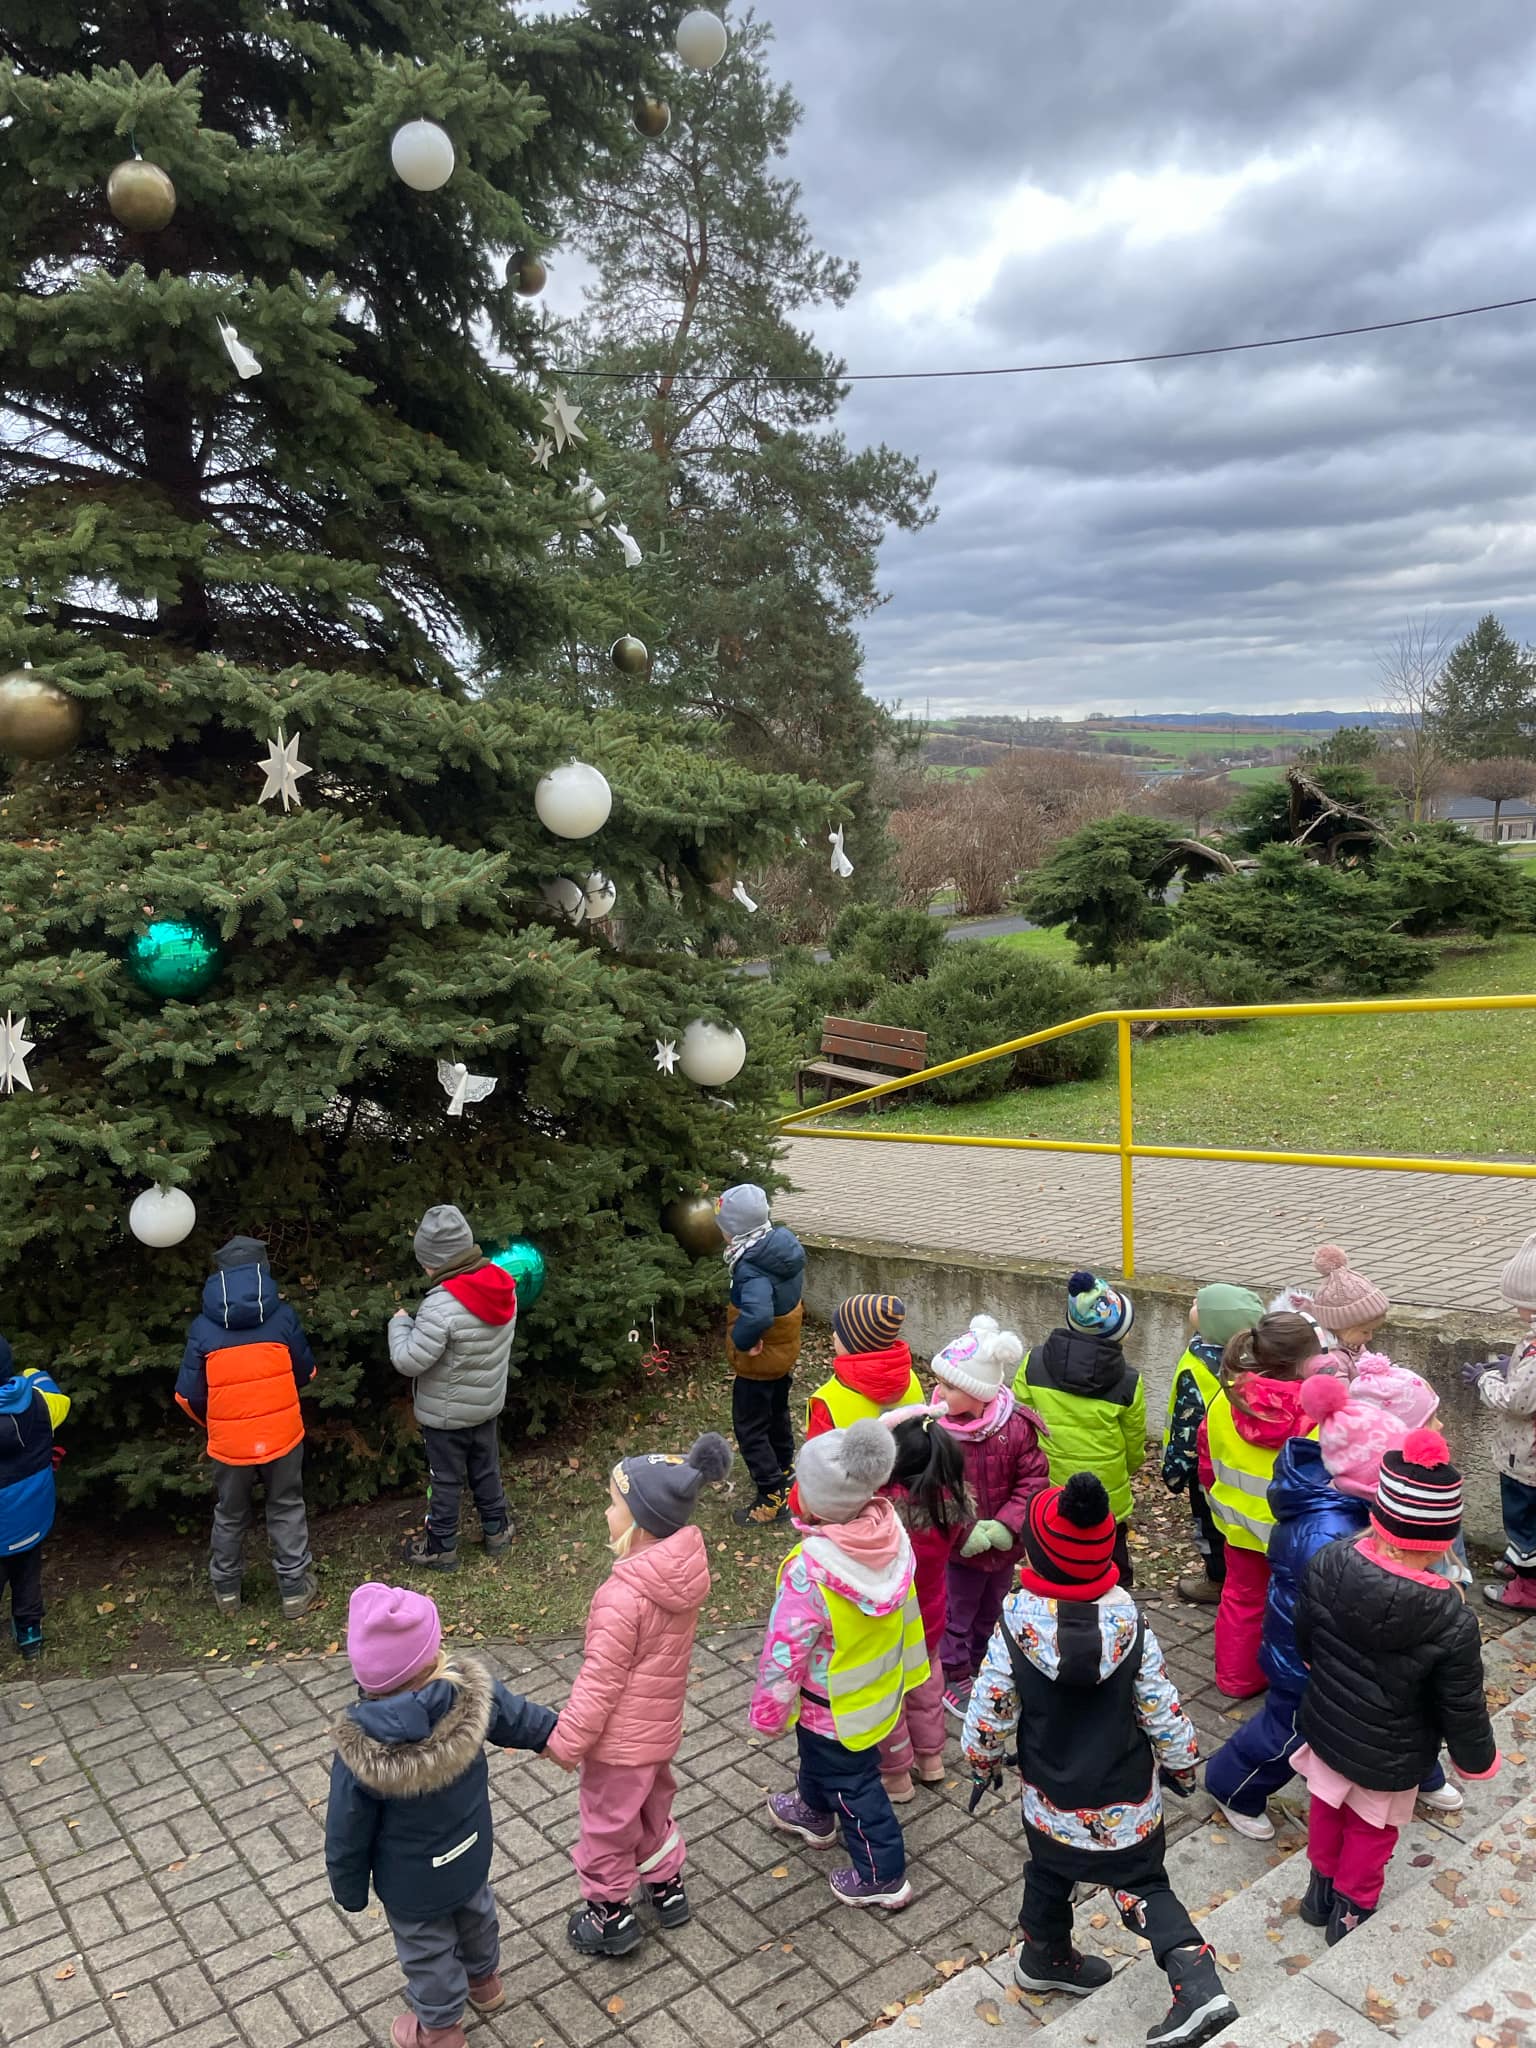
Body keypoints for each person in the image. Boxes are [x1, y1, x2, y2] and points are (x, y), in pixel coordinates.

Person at [961, 1473, 1237, 2048]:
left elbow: (988, 1709)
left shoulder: (1013, 1625)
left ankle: (1046, 1957)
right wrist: (1184, 1765)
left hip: (1049, 1800)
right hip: (1125, 1801)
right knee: (1140, 1883)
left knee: (1050, 1870)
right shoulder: (1131, 1626)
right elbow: (1161, 1707)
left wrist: (982, 1760)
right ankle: (1196, 1980)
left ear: (1035, 1553)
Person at [1204, 1360, 1462, 1839]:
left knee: (1402, 1710)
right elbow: (1342, 1607)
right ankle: (1232, 1784)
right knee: (1291, 1729)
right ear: (1370, 1481)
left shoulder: (1356, 1510)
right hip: (1307, 1662)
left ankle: (1417, 1772)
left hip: (1357, 1656)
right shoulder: (1327, 1532)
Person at [325, 1583, 557, 2048]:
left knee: (427, 1950)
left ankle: (440, 2030)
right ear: (432, 1655)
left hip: (411, 1883)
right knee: (477, 1915)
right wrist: (557, 1735)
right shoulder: (470, 1695)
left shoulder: (361, 1754)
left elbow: (346, 1832)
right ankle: (485, 1985)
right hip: (472, 1852)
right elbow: (518, 1718)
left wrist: (350, 1891)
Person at [1292, 1431, 1499, 1945]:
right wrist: (1475, 1759)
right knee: (1372, 1826)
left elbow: (1306, 1632)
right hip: (1393, 1752)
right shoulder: (1451, 1618)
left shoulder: (1329, 1562)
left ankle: (1319, 1891)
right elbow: (1461, 1702)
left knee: (1326, 1804)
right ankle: (1351, 1909)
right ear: (1439, 1543)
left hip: (1328, 1723)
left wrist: (1316, 1665)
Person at [544, 1432, 732, 1957]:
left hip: (617, 1746)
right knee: (652, 1810)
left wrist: (566, 1742)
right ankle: (667, 1889)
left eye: (614, 1503)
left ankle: (610, 1917)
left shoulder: (621, 1596)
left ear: (641, 1522)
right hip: (658, 1732)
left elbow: (599, 1682)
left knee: (606, 1826)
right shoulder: (678, 1577)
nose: (606, 1511)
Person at [751, 1418, 928, 1910]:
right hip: (876, 1689)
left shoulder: (811, 1570)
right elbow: (908, 1610)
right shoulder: (891, 1536)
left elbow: (785, 1650)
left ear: (816, 1503)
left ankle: (882, 1873)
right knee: (822, 1759)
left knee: (855, 1785)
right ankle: (812, 1809)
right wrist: (912, 1672)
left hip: (830, 1704)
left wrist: (768, 1711)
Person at [175, 1235, 320, 1619]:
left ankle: (226, 1591)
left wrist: (215, 1424)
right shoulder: (283, 1317)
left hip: (229, 1444)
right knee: (287, 1506)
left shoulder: (202, 1329)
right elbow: (307, 1372)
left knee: (230, 1512)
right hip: (283, 1435)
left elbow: (187, 1396)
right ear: (262, 1270)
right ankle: (293, 1590)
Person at [932, 1315, 1050, 1717]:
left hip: (1003, 1546)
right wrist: (963, 1530)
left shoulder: (1015, 1427)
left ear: (978, 1392)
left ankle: (984, 1659)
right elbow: (935, 1488)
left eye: (950, 1386)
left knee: (993, 1608)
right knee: (955, 1613)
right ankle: (953, 1672)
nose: (939, 1391)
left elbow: (1034, 1478)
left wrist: (1005, 1525)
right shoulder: (937, 1432)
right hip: (958, 1551)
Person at [389, 1205, 516, 1572]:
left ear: (437, 1262)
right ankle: (497, 1529)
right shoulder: (502, 1285)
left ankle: (441, 1546)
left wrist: (399, 1326)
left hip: (446, 1418)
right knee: (486, 1468)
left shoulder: (440, 1307)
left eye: (426, 1263)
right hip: (486, 1404)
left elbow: (410, 1360)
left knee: (444, 1480)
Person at [1199, 1310, 1319, 1698]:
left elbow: (1205, 1458)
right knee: (1299, 1605)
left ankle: (1236, 1680)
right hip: (1297, 1534)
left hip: (1239, 1526)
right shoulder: (1320, 1409)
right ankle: (1294, 1682)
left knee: (1241, 1599)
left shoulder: (1226, 1397)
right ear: (1307, 1360)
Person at [1016, 1271, 1145, 1585]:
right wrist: (1128, 1468)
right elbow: (1134, 1442)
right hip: (1107, 1491)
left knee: (1052, 1543)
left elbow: (1021, 1421)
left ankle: (1054, 1593)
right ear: (1118, 1336)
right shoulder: (1129, 1381)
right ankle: (1118, 1594)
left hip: (1049, 1487)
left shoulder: (1033, 1364)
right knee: (1111, 1546)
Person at [876, 1407, 969, 1803]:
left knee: (889, 1695)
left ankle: (896, 1776)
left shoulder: (881, 1511)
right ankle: (931, 1759)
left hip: (889, 1620)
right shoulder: (952, 1504)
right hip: (930, 1615)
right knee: (927, 1683)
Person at [1162, 1285, 1263, 1607]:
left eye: (1199, 1305)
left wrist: (1175, 1470)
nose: (1192, 1303)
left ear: (1215, 1326)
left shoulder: (1200, 1369)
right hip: (1241, 1464)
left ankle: (1218, 1580)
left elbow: (1186, 1425)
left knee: (1210, 1525)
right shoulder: (1255, 1360)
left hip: (1205, 1468)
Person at [718, 1184, 806, 1528]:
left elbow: (757, 1314)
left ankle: (771, 1496)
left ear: (734, 1231)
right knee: (777, 1412)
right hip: (782, 1356)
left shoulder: (750, 1266)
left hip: (760, 1362)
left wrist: (743, 1340)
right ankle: (785, 1467)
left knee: (751, 1427)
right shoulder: (780, 1247)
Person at [1465, 1228, 1536, 1612]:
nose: (1516, 1311)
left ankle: (1528, 1586)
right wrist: (1514, 1365)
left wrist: (1487, 1379)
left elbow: (1517, 1402)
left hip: (1526, 1459)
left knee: (1524, 1520)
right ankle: (1521, 1563)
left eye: (1520, 1304)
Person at [0, 1335, 69, 1662]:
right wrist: (34, 1374)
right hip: (32, 1513)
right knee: (27, 1571)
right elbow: (62, 1401)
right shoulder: (40, 1402)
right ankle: (30, 1635)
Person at [805, 1294, 923, 1439]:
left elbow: (816, 1457)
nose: (834, 1335)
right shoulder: (912, 1380)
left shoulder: (826, 1402)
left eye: (840, 1331)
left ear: (856, 1344)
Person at [1294, 1244, 1390, 1369]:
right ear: (1339, 1326)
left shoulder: (1353, 1343)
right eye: (1365, 1331)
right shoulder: (1332, 1362)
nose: (1370, 1337)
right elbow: (1343, 1388)